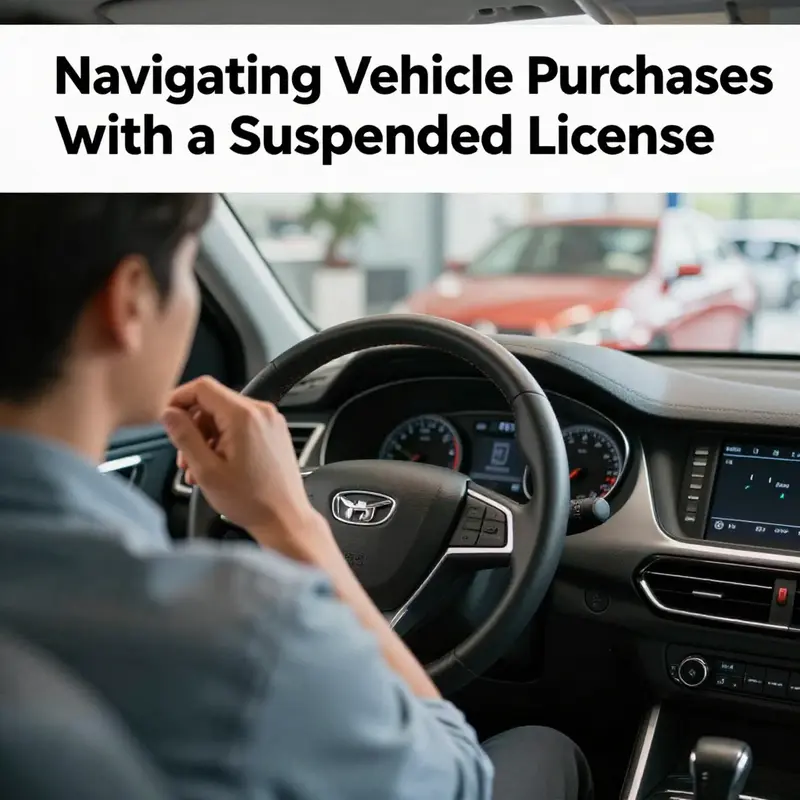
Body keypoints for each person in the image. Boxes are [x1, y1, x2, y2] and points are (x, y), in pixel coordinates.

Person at [0, 193, 593, 800]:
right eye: (187, 267)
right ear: (127, 302)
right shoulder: (252, 629)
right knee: (546, 750)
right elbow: (456, 776)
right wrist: (291, 521)